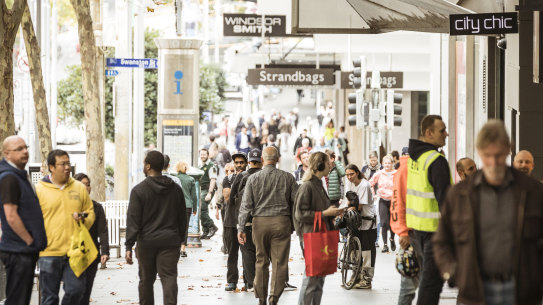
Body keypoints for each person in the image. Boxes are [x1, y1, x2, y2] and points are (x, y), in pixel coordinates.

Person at [433, 120, 543, 305]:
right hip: (474, 292)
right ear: (479, 152)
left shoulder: (532, 192)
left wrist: (537, 277)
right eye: (487, 156)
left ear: (508, 150)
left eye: (499, 155)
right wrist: (453, 273)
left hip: (522, 292)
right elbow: (441, 241)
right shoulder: (460, 195)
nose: (493, 162)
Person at [237, 147, 298, 305]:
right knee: (279, 263)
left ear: (262, 160)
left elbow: (246, 206)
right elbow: (296, 203)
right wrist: (295, 225)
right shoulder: (288, 178)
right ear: (278, 159)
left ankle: (262, 298)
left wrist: (241, 228)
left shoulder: (253, 179)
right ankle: (273, 298)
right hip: (281, 222)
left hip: (260, 223)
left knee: (261, 260)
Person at [125, 151, 187, 305]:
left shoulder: (139, 190)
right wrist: (181, 239)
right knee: (169, 277)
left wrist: (129, 245)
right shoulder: (175, 189)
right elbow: (182, 217)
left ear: (148, 166)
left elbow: (133, 220)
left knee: (146, 280)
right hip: (170, 241)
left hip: (146, 242)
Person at [36, 149, 95, 305]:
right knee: (49, 298)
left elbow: (90, 212)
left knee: (76, 290)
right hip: (48, 252)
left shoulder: (79, 188)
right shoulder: (39, 189)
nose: (67, 167)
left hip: (75, 250)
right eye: (62, 164)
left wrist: (83, 218)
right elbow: (32, 219)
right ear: (51, 167)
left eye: (68, 163)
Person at [406, 114, 452, 305]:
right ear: (429, 132)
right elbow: (446, 201)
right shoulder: (435, 160)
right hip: (435, 231)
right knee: (431, 283)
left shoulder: (414, 158)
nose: (446, 134)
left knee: (429, 280)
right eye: (442, 131)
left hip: (418, 230)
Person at [0, 136, 47, 305]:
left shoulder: (18, 175)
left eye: (25, 147)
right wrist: (29, 241)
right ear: (7, 154)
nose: (25, 151)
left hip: (22, 250)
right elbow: (10, 215)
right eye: (19, 149)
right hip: (19, 250)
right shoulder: (9, 178)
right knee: (17, 300)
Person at [294, 152, 343, 305]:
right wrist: (324, 214)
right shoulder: (308, 186)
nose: (331, 166)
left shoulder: (319, 184)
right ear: (320, 165)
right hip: (312, 237)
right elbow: (300, 214)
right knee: (311, 278)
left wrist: (333, 214)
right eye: (328, 163)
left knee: (319, 278)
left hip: (320, 235)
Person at [73, 173, 110, 305]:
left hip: (91, 254)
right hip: (72, 255)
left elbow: (103, 230)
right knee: (75, 290)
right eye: (83, 184)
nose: (87, 187)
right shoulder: (69, 206)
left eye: (88, 184)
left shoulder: (97, 208)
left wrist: (105, 251)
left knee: (86, 291)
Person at [230, 148, 263, 292]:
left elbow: (232, 198)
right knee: (262, 253)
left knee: (247, 252)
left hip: (247, 220)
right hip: (264, 219)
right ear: (261, 161)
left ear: (248, 162)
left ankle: (250, 283)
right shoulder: (265, 175)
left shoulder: (242, 176)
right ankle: (262, 281)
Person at [390, 152, 421, 305]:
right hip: (412, 234)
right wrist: (402, 232)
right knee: (409, 286)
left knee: (428, 285)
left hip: (428, 233)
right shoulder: (406, 169)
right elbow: (397, 202)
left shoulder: (428, 164)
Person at [344, 164, 377, 289]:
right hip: (355, 220)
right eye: (347, 174)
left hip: (367, 221)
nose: (349, 177)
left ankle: (367, 279)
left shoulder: (364, 185)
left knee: (367, 251)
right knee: (355, 249)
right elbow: (347, 199)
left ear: (357, 172)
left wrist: (347, 209)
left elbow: (360, 206)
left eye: (351, 174)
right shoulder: (349, 183)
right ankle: (356, 276)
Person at [223, 152, 248, 292]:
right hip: (230, 222)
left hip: (245, 222)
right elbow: (227, 197)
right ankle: (232, 281)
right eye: (236, 162)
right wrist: (236, 179)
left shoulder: (250, 178)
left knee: (247, 254)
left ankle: (247, 281)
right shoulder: (228, 179)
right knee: (232, 254)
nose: (239, 165)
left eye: (241, 162)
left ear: (246, 163)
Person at [369, 154, 397, 253]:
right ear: (383, 163)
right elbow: (370, 183)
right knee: (384, 223)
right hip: (383, 200)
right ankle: (385, 245)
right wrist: (373, 194)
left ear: (392, 164)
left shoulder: (396, 173)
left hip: (394, 201)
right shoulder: (379, 173)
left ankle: (392, 239)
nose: (387, 165)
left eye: (389, 163)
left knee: (392, 223)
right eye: (385, 163)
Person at [174, 161, 198, 257]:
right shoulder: (191, 179)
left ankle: (176, 247)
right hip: (187, 206)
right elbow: (194, 196)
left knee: (175, 227)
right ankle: (183, 249)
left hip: (176, 206)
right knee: (185, 228)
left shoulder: (174, 178)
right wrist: (195, 208)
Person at [199, 148, 219, 240]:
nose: (202, 156)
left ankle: (212, 226)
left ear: (207, 155)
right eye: (201, 154)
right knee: (203, 210)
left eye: (204, 154)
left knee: (202, 209)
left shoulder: (211, 166)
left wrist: (210, 193)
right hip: (202, 190)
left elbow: (213, 179)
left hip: (207, 190)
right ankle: (206, 231)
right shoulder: (201, 165)